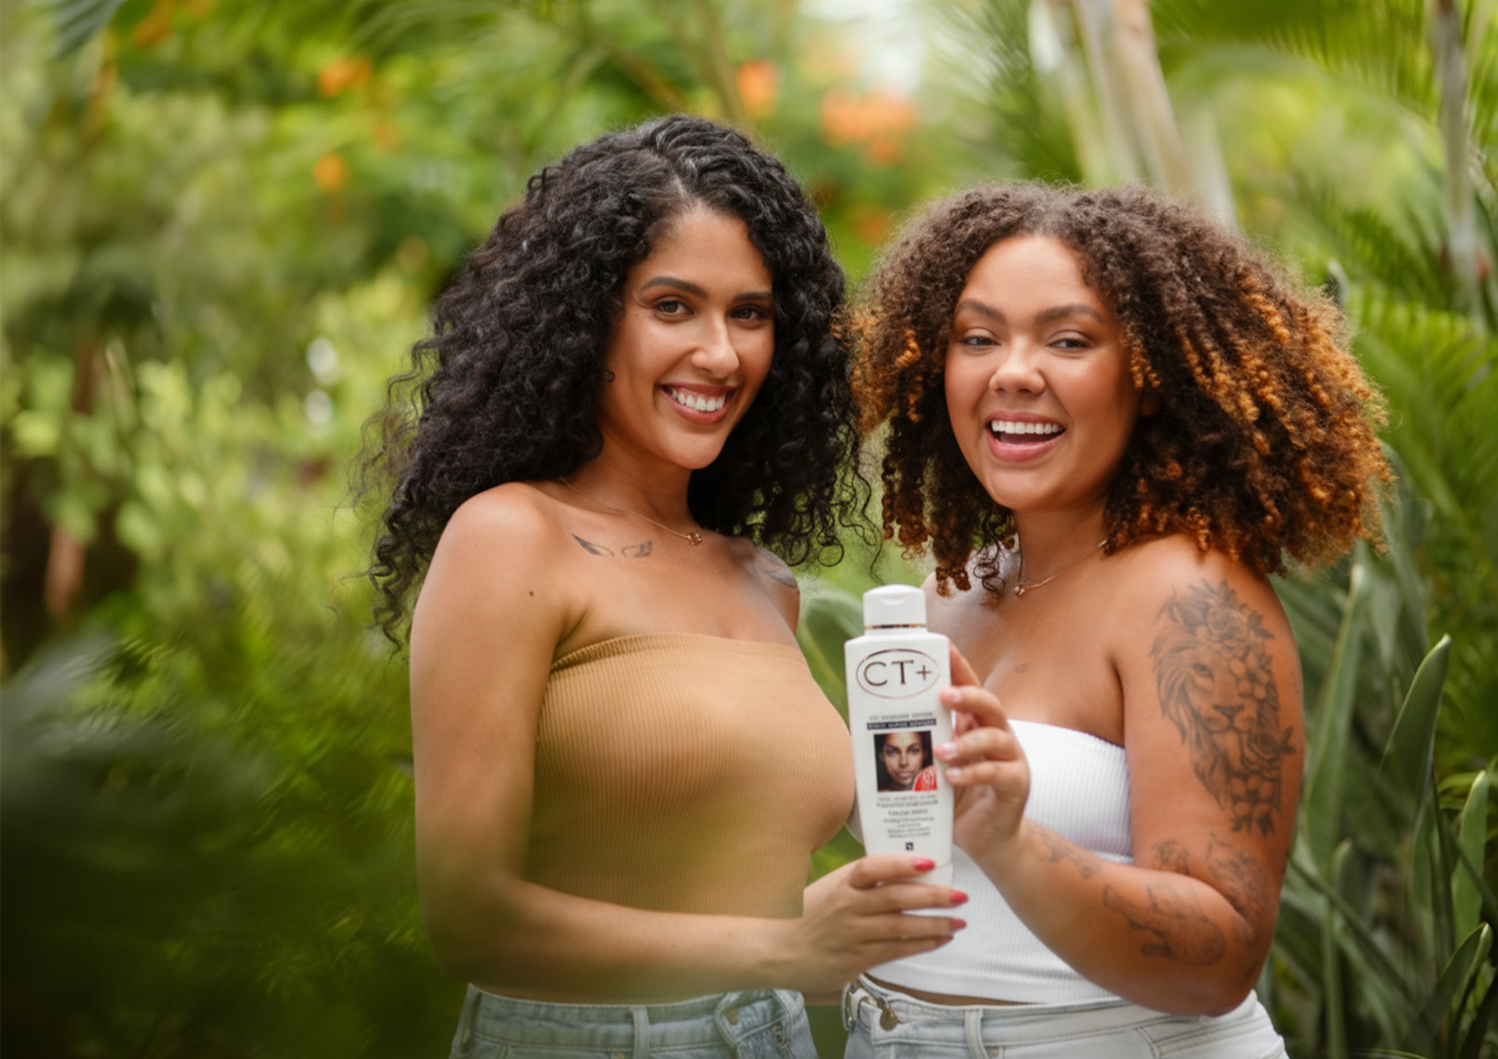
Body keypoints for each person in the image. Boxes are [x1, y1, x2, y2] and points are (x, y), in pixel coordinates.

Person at [363, 115, 964, 1059]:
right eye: (673, 306)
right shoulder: (511, 539)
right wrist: (779, 948)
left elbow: (900, 821)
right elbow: (468, 920)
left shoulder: (764, 582)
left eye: (751, 313)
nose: (720, 354)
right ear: (588, 318)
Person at [842, 183, 1390, 1057]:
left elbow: (1220, 958)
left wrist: (1012, 837)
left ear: (1151, 376)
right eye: (977, 337)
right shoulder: (958, 589)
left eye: (1068, 339)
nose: (1013, 371)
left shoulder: (1192, 598)